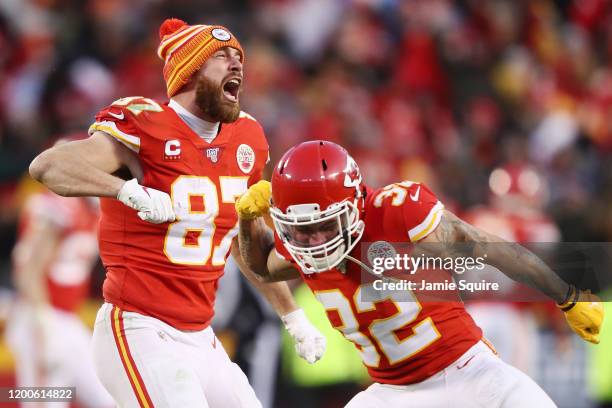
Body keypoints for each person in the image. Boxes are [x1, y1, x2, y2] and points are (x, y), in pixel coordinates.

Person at [29, 18, 325, 407]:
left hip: (202, 336)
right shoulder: (145, 125)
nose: (237, 64)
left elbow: (244, 242)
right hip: (139, 328)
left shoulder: (248, 138)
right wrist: (127, 191)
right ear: (190, 70)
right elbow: (47, 167)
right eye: (221, 56)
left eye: (239, 57)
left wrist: (292, 315)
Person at [235, 140, 604, 407]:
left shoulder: (398, 213)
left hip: (468, 372)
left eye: (326, 226)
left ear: (354, 207)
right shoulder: (301, 246)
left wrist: (566, 296)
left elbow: (485, 246)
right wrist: (247, 220)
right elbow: (261, 270)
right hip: (391, 393)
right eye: (302, 230)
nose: (314, 241)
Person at [7, 142, 114, 407]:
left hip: (68, 319)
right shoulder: (57, 209)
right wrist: (42, 326)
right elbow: (28, 268)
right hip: (41, 318)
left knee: (108, 397)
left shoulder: (91, 209)